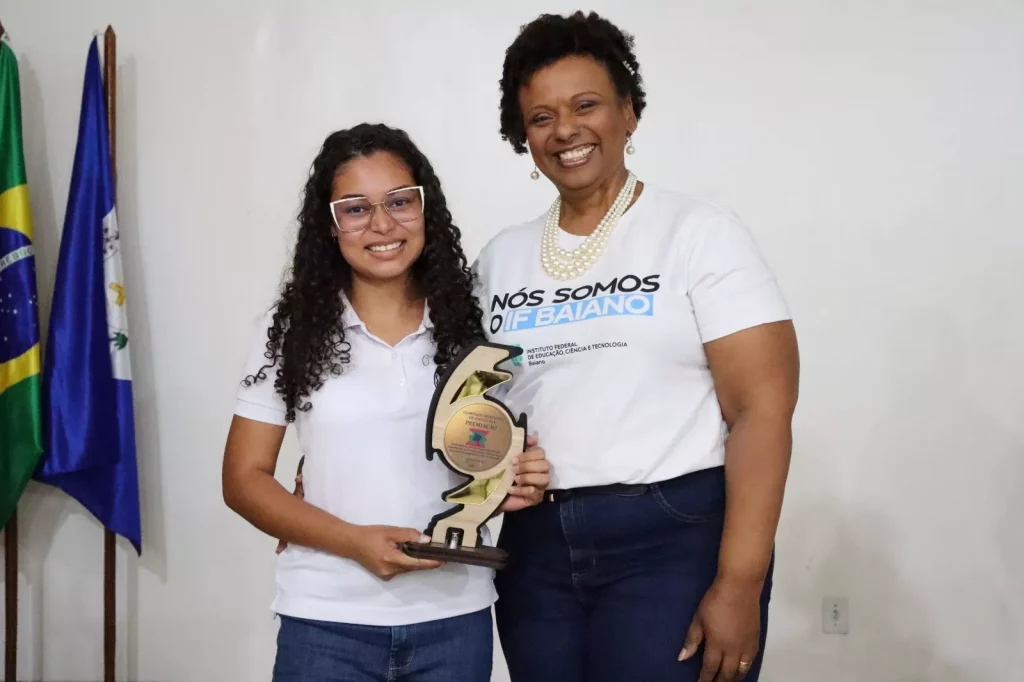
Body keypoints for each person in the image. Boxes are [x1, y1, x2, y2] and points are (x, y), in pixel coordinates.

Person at [473, 11, 800, 682]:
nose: (565, 129)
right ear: (523, 136)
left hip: (672, 539)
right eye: (541, 117)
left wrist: (740, 582)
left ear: (628, 112)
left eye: (586, 105)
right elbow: (462, 411)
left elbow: (762, 411)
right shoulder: (499, 260)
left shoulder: (699, 233)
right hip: (536, 552)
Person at [222, 123, 550, 682]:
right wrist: (353, 542)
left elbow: (488, 455)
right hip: (325, 620)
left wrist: (517, 483)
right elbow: (243, 480)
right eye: (355, 208)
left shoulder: (473, 325)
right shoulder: (293, 331)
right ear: (329, 225)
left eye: (400, 201)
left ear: (426, 207)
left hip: (455, 618)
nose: (382, 224)